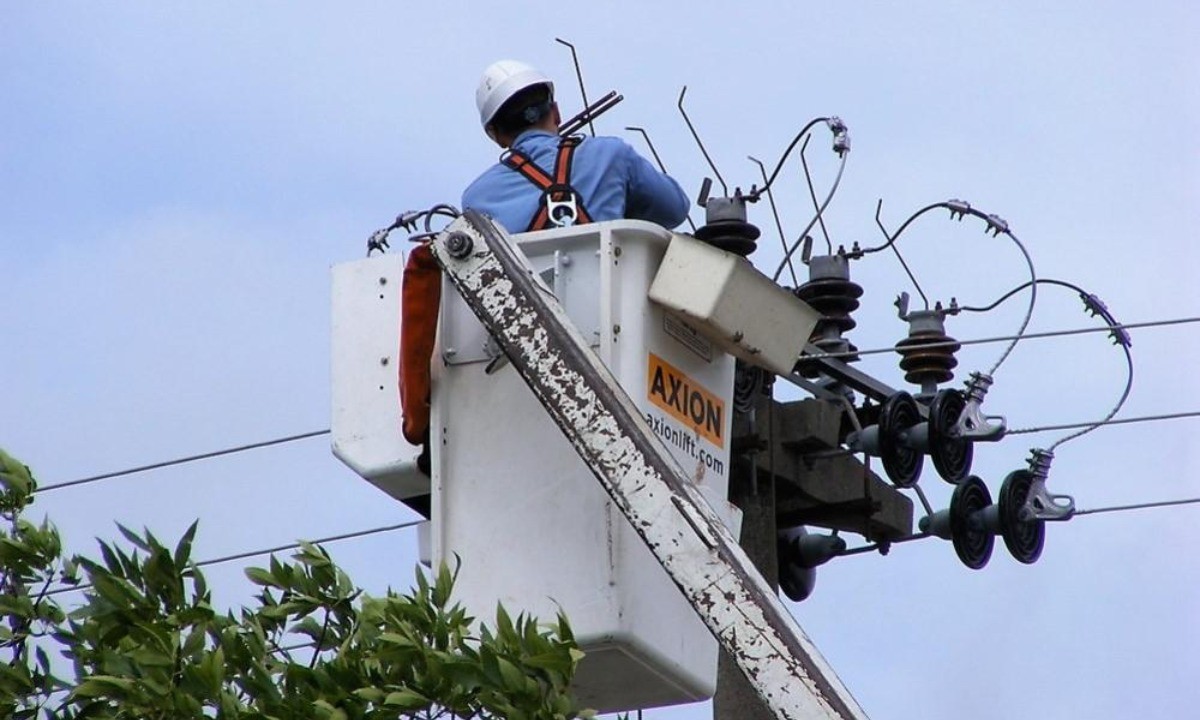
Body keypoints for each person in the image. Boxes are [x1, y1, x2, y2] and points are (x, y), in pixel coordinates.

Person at [462, 60, 691, 233]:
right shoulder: (610, 154)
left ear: (496, 136)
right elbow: (675, 209)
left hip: (522, 296)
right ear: (556, 112)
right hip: (610, 292)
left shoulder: (477, 199)